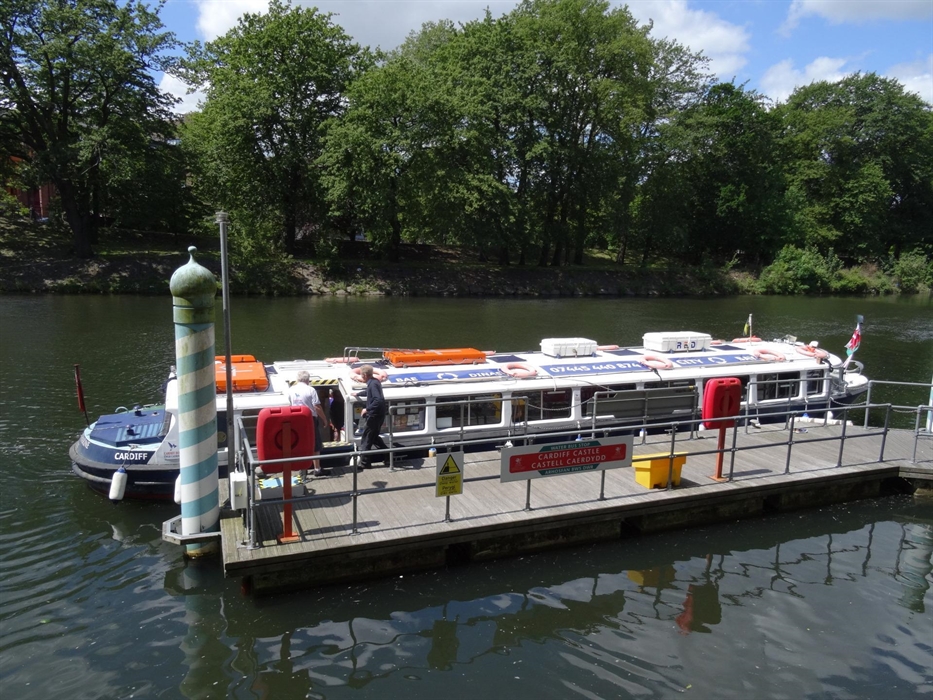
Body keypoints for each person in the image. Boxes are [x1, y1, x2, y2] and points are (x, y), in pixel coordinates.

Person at [289, 370, 327, 476]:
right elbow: (316, 406)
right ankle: (317, 469)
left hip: (296, 419)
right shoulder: (311, 390)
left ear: (298, 379)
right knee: (315, 443)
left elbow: (289, 405)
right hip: (309, 419)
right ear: (308, 379)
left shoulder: (291, 390)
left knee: (300, 443)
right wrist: (324, 419)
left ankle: (302, 469)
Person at [353, 364, 387, 470]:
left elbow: (378, 400)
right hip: (379, 414)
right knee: (374, 437)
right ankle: (389, 456)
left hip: (374, 415)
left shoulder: (373, 384)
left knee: (366, 438)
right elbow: (369, 393)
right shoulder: (374, 382)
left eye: (361, 375)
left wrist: (367, 409)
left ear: (364, 375)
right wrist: (358, 393)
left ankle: (365, 463)